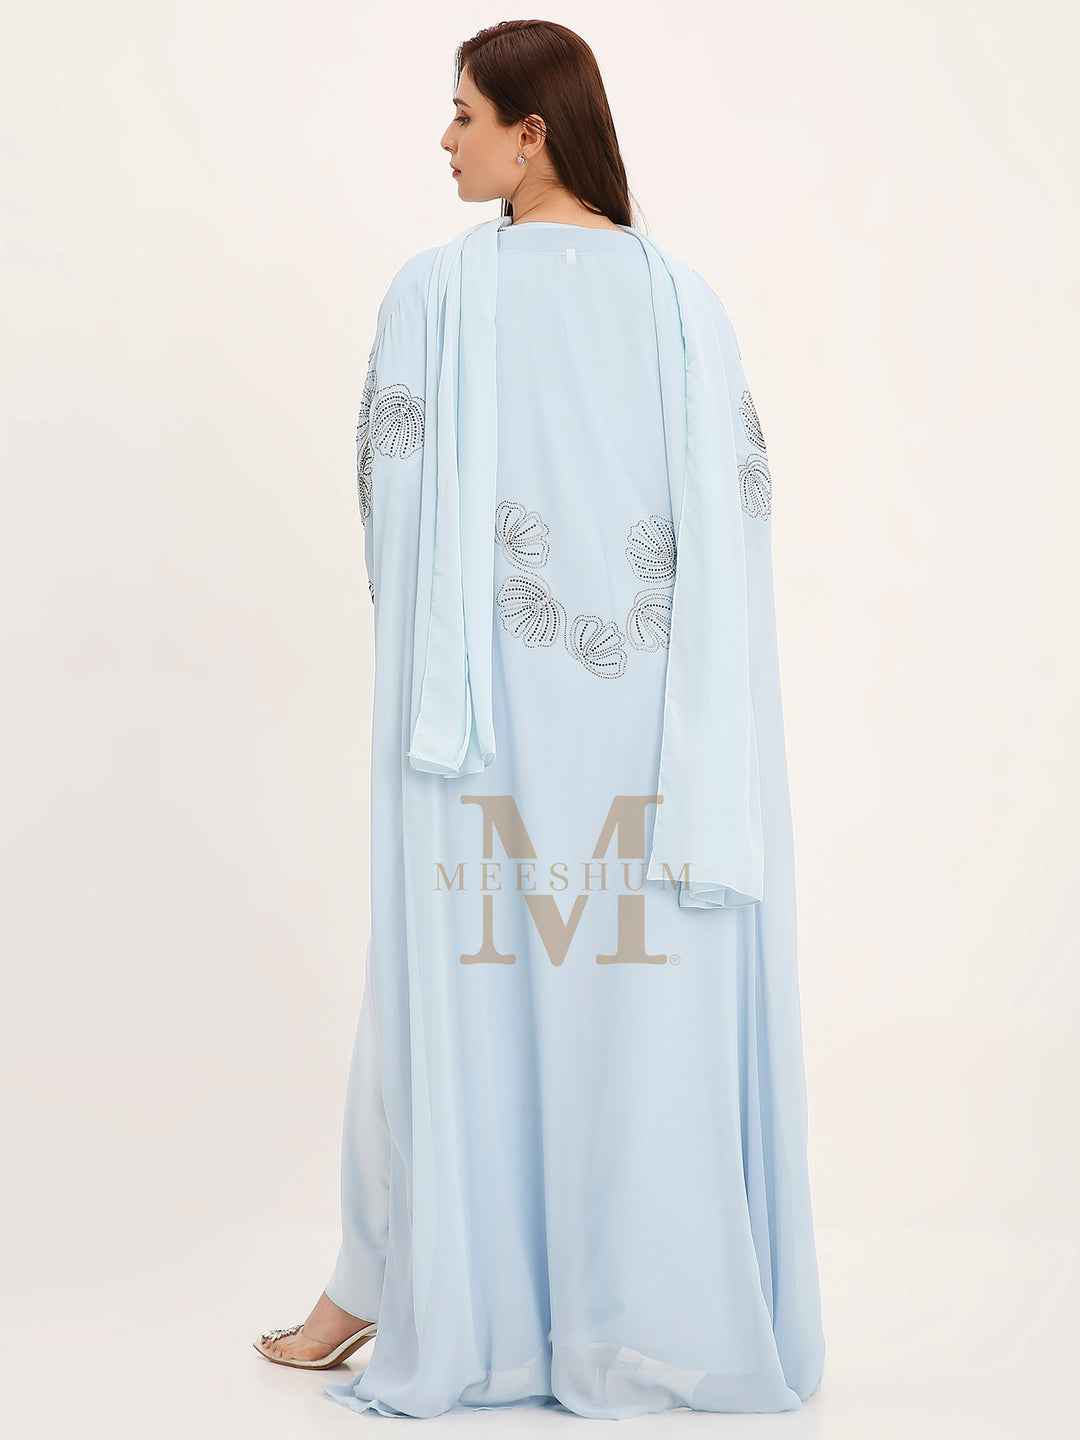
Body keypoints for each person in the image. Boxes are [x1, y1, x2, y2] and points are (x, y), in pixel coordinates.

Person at [253, 18, 826, 1420]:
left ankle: (394, 1290)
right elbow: (741, 534)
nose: (443, 139)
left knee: (451, 992)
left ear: (533, 133)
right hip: (659, 737)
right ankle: (624, 1316)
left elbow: (395, 521)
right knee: (638, 1005)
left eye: (463, 113)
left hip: (479, 728)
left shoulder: (437, 294)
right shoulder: (686, 303)